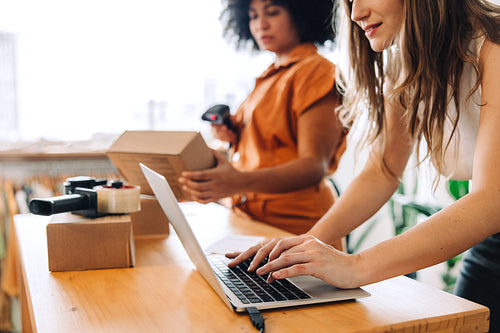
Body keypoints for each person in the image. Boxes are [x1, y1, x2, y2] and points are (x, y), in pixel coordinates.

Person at [228, 0, 500, 330]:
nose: (355, 14)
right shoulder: (406, 66)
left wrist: (356, 266)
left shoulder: (494, 44)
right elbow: (382, 171)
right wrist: (307, 245)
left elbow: (491, 200)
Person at [179, 0, 347, 240]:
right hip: (251, 222)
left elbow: (313, 166)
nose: (261, 25)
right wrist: (233, 136)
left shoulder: (317, 72)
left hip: (297, 228)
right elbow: (267, 148)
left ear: (302, 15)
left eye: (273, 13)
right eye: (254, 16)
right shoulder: (269, 77)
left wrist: (237, 182)